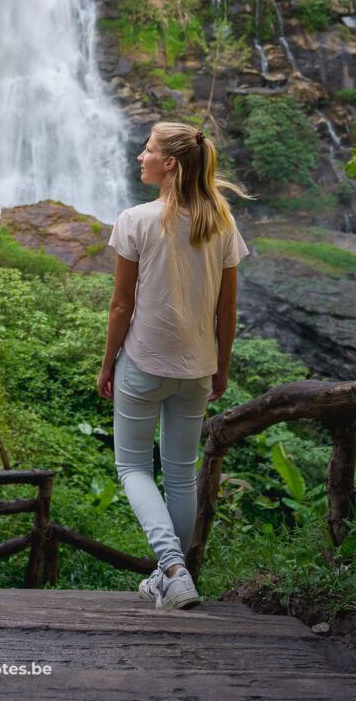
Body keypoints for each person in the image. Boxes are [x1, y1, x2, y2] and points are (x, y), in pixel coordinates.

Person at [96, 121, 250, 611]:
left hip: (142, 363)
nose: (139, 156)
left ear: (170, 164)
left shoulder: (135, 219)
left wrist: (106, 365)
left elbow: (121, 306)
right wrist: (221, 367)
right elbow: (227, 311)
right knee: (181, 477)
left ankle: (173, 568)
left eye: (148, 150)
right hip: (197, 368)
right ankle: (170, 577)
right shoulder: (222, 223)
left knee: (132, 467)